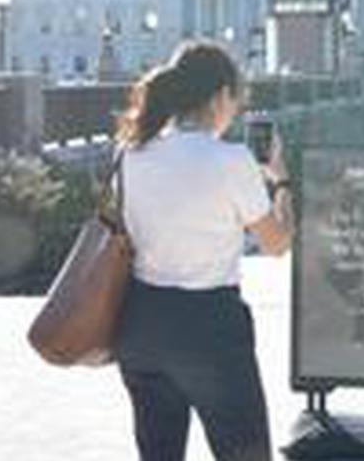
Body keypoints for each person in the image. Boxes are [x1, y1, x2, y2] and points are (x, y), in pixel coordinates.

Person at [113, 40, 294, 461]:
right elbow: (277, 243)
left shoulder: (129, 153)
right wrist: (280, 181)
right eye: (237, 100)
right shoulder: (231, 160)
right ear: (220, 96)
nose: (235, 111)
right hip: (209, 328)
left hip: (140, 324)